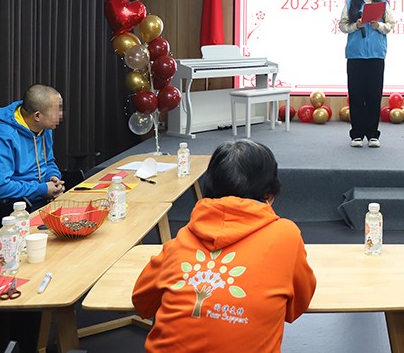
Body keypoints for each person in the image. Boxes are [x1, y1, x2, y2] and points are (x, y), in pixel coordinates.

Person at [133, 139, 316, 352]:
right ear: (269, 194)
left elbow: (142, 301)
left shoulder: (181, 241)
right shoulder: (286, 235)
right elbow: (297, 306)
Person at [0, 84, 65, 233]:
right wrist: (42, 189)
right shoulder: (1, 138)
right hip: (6, 210)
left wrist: (53, 178)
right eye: (57, 110)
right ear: (37, 116)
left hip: (36, 200)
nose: (61, 115)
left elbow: (48, 162)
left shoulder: (43, 129)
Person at [338, 0, 395, 148]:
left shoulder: (383, 2)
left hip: (376, 55)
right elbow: (342, 26)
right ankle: (356, 135)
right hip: (355, 55)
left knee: (374, 95)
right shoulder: (351, 3)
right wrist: (356, 25)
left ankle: (372, 135)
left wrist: (379, 26)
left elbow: (391, 25)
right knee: (356, 95)